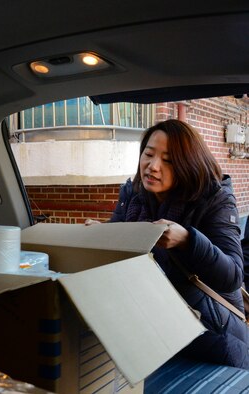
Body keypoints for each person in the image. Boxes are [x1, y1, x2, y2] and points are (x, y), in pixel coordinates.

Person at [88, 119, 249, 369]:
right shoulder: (133, 195)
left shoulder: (215, 198)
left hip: (212, 333)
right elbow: (119, 255)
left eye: (168, 160)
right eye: (148, 154)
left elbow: (233, 276)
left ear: (188, 163)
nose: (152, 166)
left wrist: (187, 240)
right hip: (151, 324)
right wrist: (103, 236)